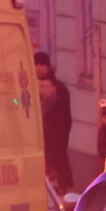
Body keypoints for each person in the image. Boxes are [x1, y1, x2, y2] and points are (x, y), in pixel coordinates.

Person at [33, 54, 75, 199]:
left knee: (57, 173)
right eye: (35, 64)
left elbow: (64, 120)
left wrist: (60, 141)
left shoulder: (59, 89)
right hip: (40, 144)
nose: (37, 68)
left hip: (55, 143)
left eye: (41, 64)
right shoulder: (31, 86)